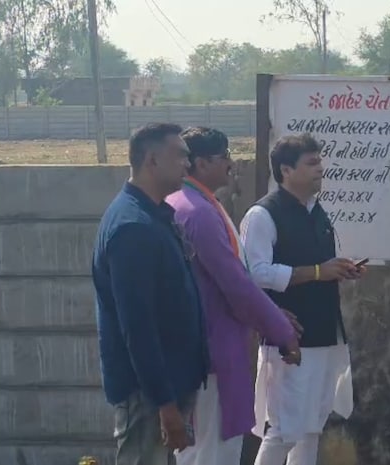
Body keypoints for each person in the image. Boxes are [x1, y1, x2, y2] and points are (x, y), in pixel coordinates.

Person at [164, 127, 303, 465]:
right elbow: (235, 283)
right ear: (200, 163)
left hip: (204, 348)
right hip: (210, 353)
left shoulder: (193, 203)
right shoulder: (197, 211)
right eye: (225, 156)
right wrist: (280, 329)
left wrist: (272, 316)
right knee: (211, 453)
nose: (231, 163)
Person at [240, 133, 364, 465]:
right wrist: (319, 272)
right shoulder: (263, 215)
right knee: (284, 430)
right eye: (311, 163)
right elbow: (256, 273)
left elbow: (318, 267)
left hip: (324, 333)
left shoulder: (315, 211)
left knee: (311, 429)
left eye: (319, 161)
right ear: (286, 170)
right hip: (289, 335)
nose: (320, 169)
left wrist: (339, 270)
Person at [92, 123, 209, 465]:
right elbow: (138, 327)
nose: (188, 164)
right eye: (181, 156)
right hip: (148, 397)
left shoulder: (153, 215)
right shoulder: (132, 227)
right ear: (152, 160)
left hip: (164, 389)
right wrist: (165, 404)